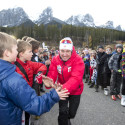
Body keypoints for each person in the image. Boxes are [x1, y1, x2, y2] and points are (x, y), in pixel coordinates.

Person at [0, 32, 69, 125]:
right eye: (16, 49)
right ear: (7, 53)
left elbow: (41, 67)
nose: (16, 52)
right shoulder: (13, 79)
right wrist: (54, 95)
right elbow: (34, 105)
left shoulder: (12, 70)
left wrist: (39, 76)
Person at [47, 37, 85, 125]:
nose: (64, 54)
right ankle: (64, 121)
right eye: (62, 51)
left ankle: (67, 118)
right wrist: (49, 82)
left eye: (67, 51)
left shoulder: (78, 60)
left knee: (72, 113)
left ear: (71, 51)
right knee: (62, 112)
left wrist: (62, 88)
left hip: (75, 91)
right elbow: (52, 73)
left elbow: (75, 79)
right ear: (59, 50)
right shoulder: (55, 59)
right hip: (62, 90)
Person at [15, 41, 48, 124]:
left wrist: (38, 75)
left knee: (27, 116)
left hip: (28, 97)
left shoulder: (29, 63)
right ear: (21, 53)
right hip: (18, 99)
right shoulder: (12, 65)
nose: (32, 54)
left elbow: (42, 66)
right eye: (29, 52)